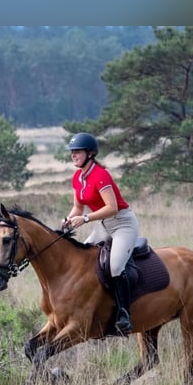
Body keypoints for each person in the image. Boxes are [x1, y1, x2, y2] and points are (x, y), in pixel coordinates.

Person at [62, 132, 139, 333]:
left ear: (90, 153)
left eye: (77, 152)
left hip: (123, 224)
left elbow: (112, 207)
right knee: (83, 260)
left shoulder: (100, 175)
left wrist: (86, 219)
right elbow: (78, 208)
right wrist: (69, 220)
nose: (73, 155)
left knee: (114, 267)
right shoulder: (77, 177)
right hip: (103, 226)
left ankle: (124, 313)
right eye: (72, 152)